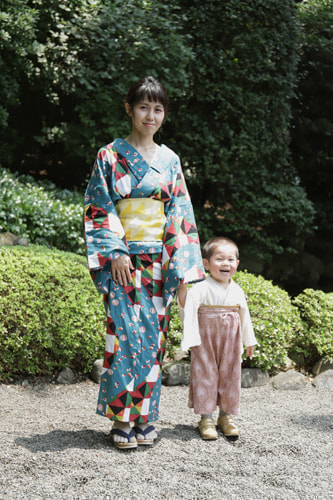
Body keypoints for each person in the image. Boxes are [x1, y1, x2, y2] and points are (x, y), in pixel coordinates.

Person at [84, 76, 205, 449]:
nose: (150, 115)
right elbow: (98, 208)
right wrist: (116, 252)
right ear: (129, 109)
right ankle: (122, 418)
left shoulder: (170, 160)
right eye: (143, 107)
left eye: (158, 109)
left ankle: (144, 417)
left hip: (158, 263)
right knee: (123, 337)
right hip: (121, 263)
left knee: (152, 342)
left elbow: (179, 215)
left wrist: (182, 273)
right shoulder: (109, 155)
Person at [177, 236, 257, 440]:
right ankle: (206, 418)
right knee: (206, 374)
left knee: (230, 374)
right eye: (219, 259)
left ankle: (226, 416)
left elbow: (244, 316)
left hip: (231, 339)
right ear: (206, 263)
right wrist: (183, 291)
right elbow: (188, 309)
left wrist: (249, 340)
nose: (225, 264)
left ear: (237, 264)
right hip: (206, 339)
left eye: (231, 260)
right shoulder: (201, 287)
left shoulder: (236, 290)